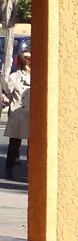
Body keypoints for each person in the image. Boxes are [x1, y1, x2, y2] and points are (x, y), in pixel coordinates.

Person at [4, 50, 31, 180]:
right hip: (18, 114)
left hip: (33, 115)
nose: (29, 60)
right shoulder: (15, 76)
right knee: (14, 143)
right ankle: (8, 169)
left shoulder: (39, 75)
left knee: (34, 145)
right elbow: (8, 91)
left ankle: (32, 170)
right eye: (26, 58)